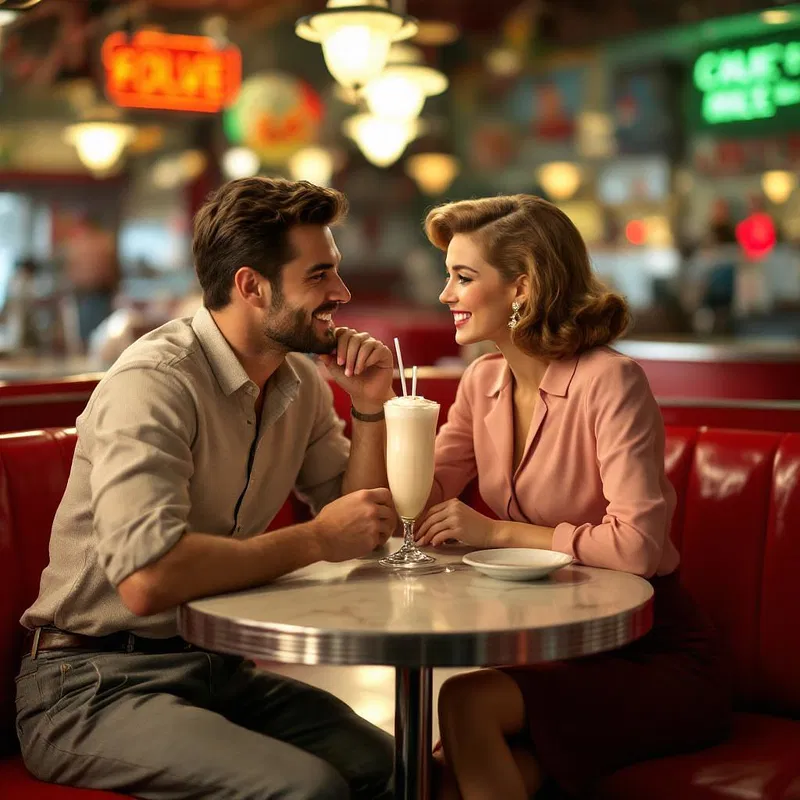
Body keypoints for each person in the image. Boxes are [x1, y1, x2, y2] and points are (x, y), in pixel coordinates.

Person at [16, 178, 397, 800]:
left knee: (392, 765)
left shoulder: (298, 376)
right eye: (320, 274)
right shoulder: (155, 382)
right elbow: (148, 579)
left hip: (215, 666)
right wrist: (318, 540)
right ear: (251, 286)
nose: (342, 293)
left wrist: (370, 408)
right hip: (89, 683)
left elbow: (358, 525)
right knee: (307, 789)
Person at [414, 195, 731, 799]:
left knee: (463, 701)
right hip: (553, 649)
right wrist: (377, 407)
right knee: (441, 776)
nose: (445, 295)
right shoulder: (481, 381)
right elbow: (419, 499)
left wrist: (496, 532)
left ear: (522, 288)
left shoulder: (611, 380)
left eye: (462, 277)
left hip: (651, 654)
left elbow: (638, 548)